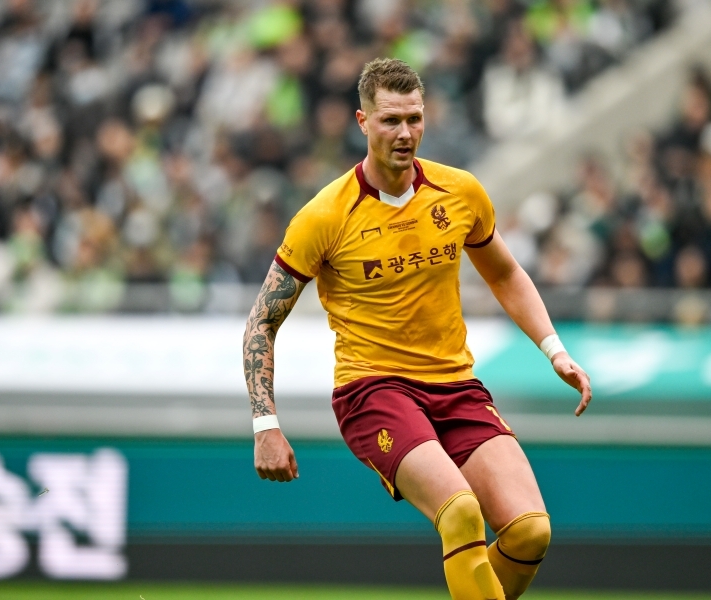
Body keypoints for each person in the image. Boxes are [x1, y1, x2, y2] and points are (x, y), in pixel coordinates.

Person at [242, 58, 592, 600]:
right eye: (390, 120)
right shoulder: (325, 216)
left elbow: (504, 273)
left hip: (455, 386)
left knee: (530, 533)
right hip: (373, 389)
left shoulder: (459, 192)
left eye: (414, 118)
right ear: (363, 122)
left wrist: (554, 349)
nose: (405, 133)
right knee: (460, 512)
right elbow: (263, 321)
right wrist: (265, 423)